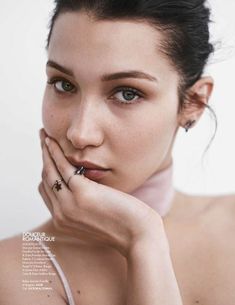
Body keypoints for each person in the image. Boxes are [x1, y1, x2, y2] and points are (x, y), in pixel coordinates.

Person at [0, 0, 235, 304]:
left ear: (193, 103)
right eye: (64, 84)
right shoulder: (20, 268)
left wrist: (144, 239)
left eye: (127, 93)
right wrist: (143, 238)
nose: (80, 133)